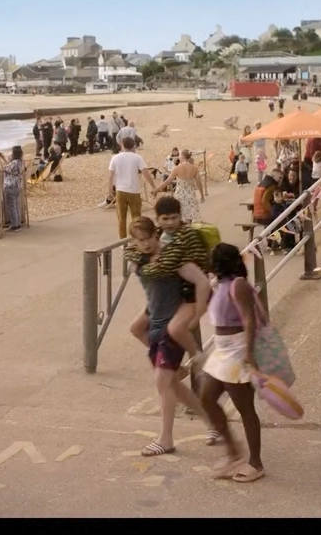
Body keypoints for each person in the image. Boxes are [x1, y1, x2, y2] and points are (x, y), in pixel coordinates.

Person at [123, 217, 215, 457]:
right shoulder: (140, 258)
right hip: (155, 321)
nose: (144, 244)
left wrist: (196, 314)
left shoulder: (172, 258)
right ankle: (213, 420)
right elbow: (152, 292)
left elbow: (202, 281)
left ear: (156, 235)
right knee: (173, 384)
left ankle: (166, 439)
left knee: (163, 381)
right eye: (138, 240)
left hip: (172, 323)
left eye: (147, 239)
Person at [199, 243, 267, 483]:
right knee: (207, 398)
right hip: (222, 349)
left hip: (237, 350)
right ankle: (233, 452)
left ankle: (255, 463)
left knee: (245, 408)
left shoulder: (238, 285)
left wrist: (248, 353)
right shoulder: (220, 284)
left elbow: (250, 320)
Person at [106, 136, 155, 239]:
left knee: (121, 219)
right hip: (134, 191)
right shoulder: (137, 157)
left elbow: (111, 176)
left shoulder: (115, 158)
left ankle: (123, 241)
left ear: (122, 145)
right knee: (136, 218)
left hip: (120, 190)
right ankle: (137, 239)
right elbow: (145, 173)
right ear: (133, 146)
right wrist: (154, 187)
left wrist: (110, 191)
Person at [3, 145, 25, 232]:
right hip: (17, 185)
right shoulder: (21, 162)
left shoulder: (14, 163)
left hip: (10, 185)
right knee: (16, 206)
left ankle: (15, 225)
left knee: (12, 206)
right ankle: (17, 224)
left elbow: (4, 169)